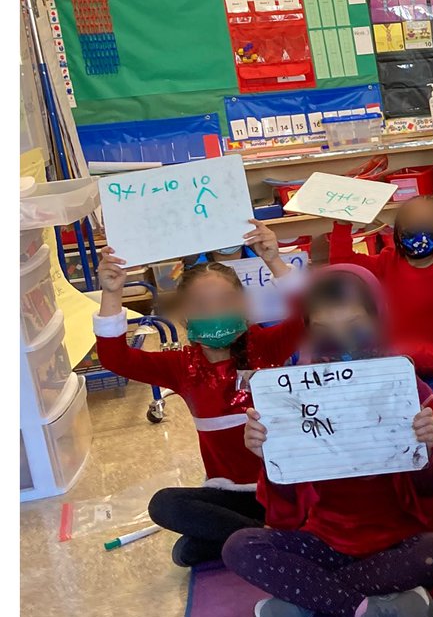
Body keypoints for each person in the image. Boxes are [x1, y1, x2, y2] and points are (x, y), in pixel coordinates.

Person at [223, 266, 433, 617]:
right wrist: (268, 456)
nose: (342, 342)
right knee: (239, 546)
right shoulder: (293, 393)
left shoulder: (407, 388)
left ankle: (303, 603)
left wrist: (426, 449)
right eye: (325, 333)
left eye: (356, 327)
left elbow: (430, 498)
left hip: (397, 544)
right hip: (325, 544)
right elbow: (285, 512)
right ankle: (367, 609)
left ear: (379, 321)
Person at [92, 223, 302, 567]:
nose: (215, 313)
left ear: (245, 307)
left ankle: (250, 538)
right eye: (203, 306)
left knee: (191, 550)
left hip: (282, 487)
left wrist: (275, 261)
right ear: (186, 316)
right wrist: (113, 293)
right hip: (228, 495)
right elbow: (115, 357)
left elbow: (307, 316)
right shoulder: (180, 365)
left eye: (224, 302)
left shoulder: (266, 346)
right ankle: (267, 538)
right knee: (165, 506)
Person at [328, 194, 433, 378]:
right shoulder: (388, 261)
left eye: (428, 223)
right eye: (411, 224)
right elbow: (342, 265)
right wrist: (342, 225)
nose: (420, 230)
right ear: (399, 233)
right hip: (391, 348)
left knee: (405, 355)